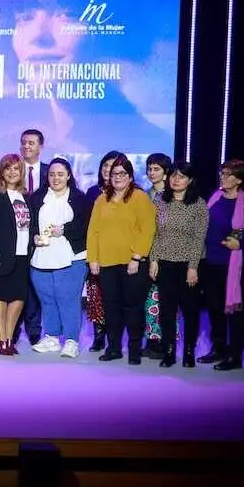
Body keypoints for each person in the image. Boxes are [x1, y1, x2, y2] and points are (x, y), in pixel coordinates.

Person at [86, 154, 156, 364]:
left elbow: (148, 229)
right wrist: (93, 259)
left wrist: (137, 257)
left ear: (130, 175)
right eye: (113, 173)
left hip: (132, 264)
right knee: (111, 307)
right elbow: (93, 232)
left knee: (133, 307)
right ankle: (114, 347)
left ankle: (134, 349)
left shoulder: (139, 197)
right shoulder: (102, 199)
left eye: (121, 173)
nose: (117, 177)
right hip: (106, 264)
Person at [27, 158, 92, 358]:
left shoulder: (80, 199)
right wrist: (35, 236)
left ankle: (71, 340)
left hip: (71, 258)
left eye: (60, 174)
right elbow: (29, 224)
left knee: (68, 299)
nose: (56, 178)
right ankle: (52, 337)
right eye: (52, 174)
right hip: (42, 257)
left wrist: (64, 229)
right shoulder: (37, 197)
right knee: (47, 299)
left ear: (69, 176)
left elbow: (86, 226)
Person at [147, 162, 207, 368]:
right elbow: (154, 234)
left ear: (190, 180)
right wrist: (153, 260)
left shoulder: (198, 204)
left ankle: (189, 351)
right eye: (173, 175)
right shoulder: (160, 201)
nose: (175, 179)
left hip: (188, 265)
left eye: (181, 176)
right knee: (167, 311)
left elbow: (199, 238)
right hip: (164, 263)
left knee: (190, 310)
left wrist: (193, 266)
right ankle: (169, 350)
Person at [199, 160, 244, 371]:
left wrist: (242, 242)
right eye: (222, 172)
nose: (223, 176)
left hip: (237, 267)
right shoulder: (216, 197)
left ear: (239, 179)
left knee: (237, 312)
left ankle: (235, 355)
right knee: (215, 309)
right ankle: (219, 347)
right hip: (211, 263)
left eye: (228, 174)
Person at [0, 154, 32, 355]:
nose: (12, 172)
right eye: (7, 168)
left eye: (16, 169)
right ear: (1, 171)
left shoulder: (26, 196)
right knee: (0, 297)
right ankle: (1, 338)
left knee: (18, 297)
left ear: (21, 172)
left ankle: (9, 337)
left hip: (23, 255)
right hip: (1, 254)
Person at [84, 150, 121, 352]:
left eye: (113, 166)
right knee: (96, 297)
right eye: (105, 165)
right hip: (97, 253)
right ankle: (99, 336)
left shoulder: (132, 192)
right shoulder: (92, 192)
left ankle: (116, 339)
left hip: (121, 254)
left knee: (117, 298)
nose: (108, 169)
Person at [16, 129, 50, 345]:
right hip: (17, 235)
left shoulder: (51, 172)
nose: (26, 146)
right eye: (23, 143)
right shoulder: (12, 169)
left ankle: (34, 327)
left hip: (44, 237)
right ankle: (14, 326)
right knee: (18, 282)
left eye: (31, 143)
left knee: (37, 283)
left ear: (40, 146)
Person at [142, 152, 173, 356]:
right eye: (150, 169)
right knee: (149, 300)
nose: (152, 173)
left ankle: (166, 342)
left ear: (166, 172)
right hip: (145, 253)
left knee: (168, 300)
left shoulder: (173, 196)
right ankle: (152, 340)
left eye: (156, 169)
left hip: (168, 255)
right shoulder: (144, 195)